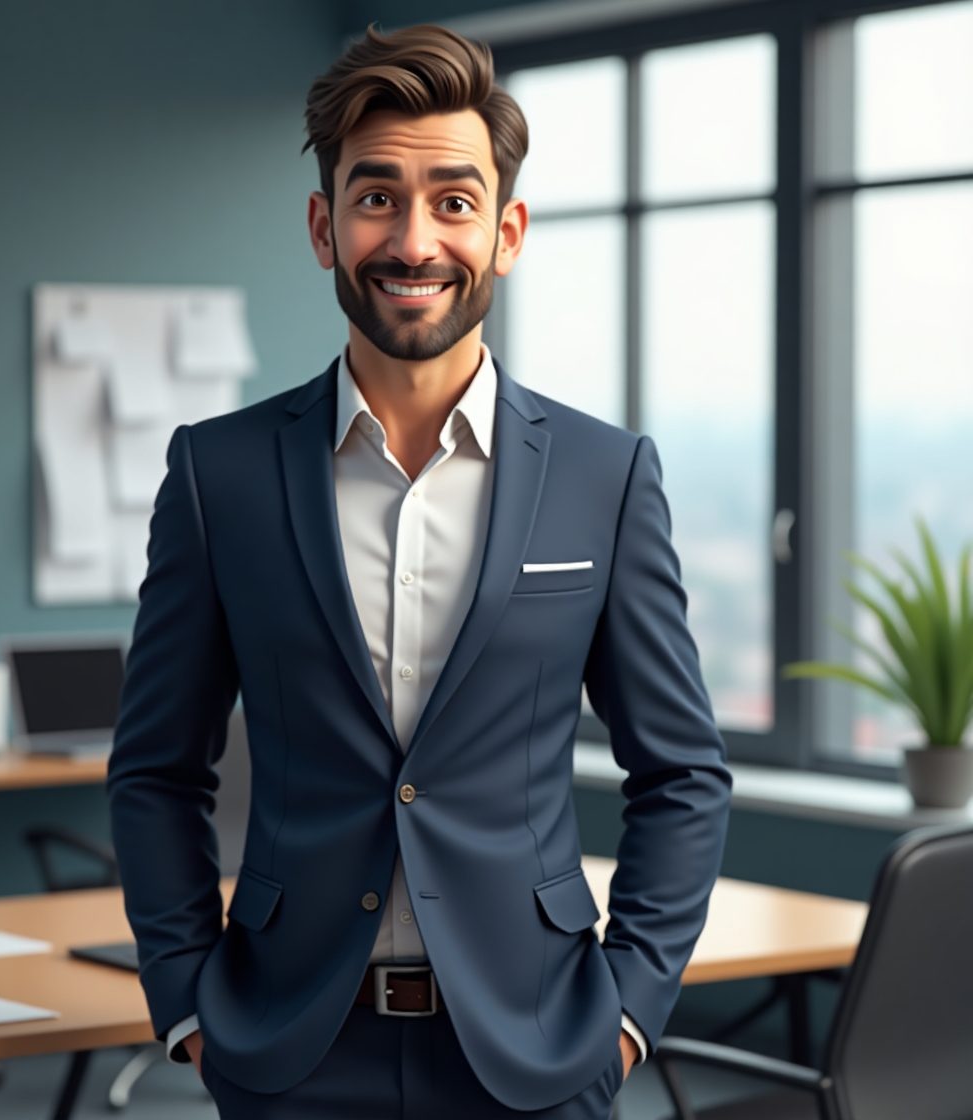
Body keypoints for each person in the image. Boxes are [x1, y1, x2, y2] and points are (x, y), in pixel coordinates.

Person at [107, 23, 731, 1119]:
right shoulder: (219, 475)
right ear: (323, 226)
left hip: (536, 1054)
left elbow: (680, 772)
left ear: (506, 230)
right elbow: (156, 769)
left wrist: (626, 1013)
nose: (413, 239)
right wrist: (189, 1004)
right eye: (375, 196)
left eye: (452, 200)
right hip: (289, 1053)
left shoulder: (605, 474)